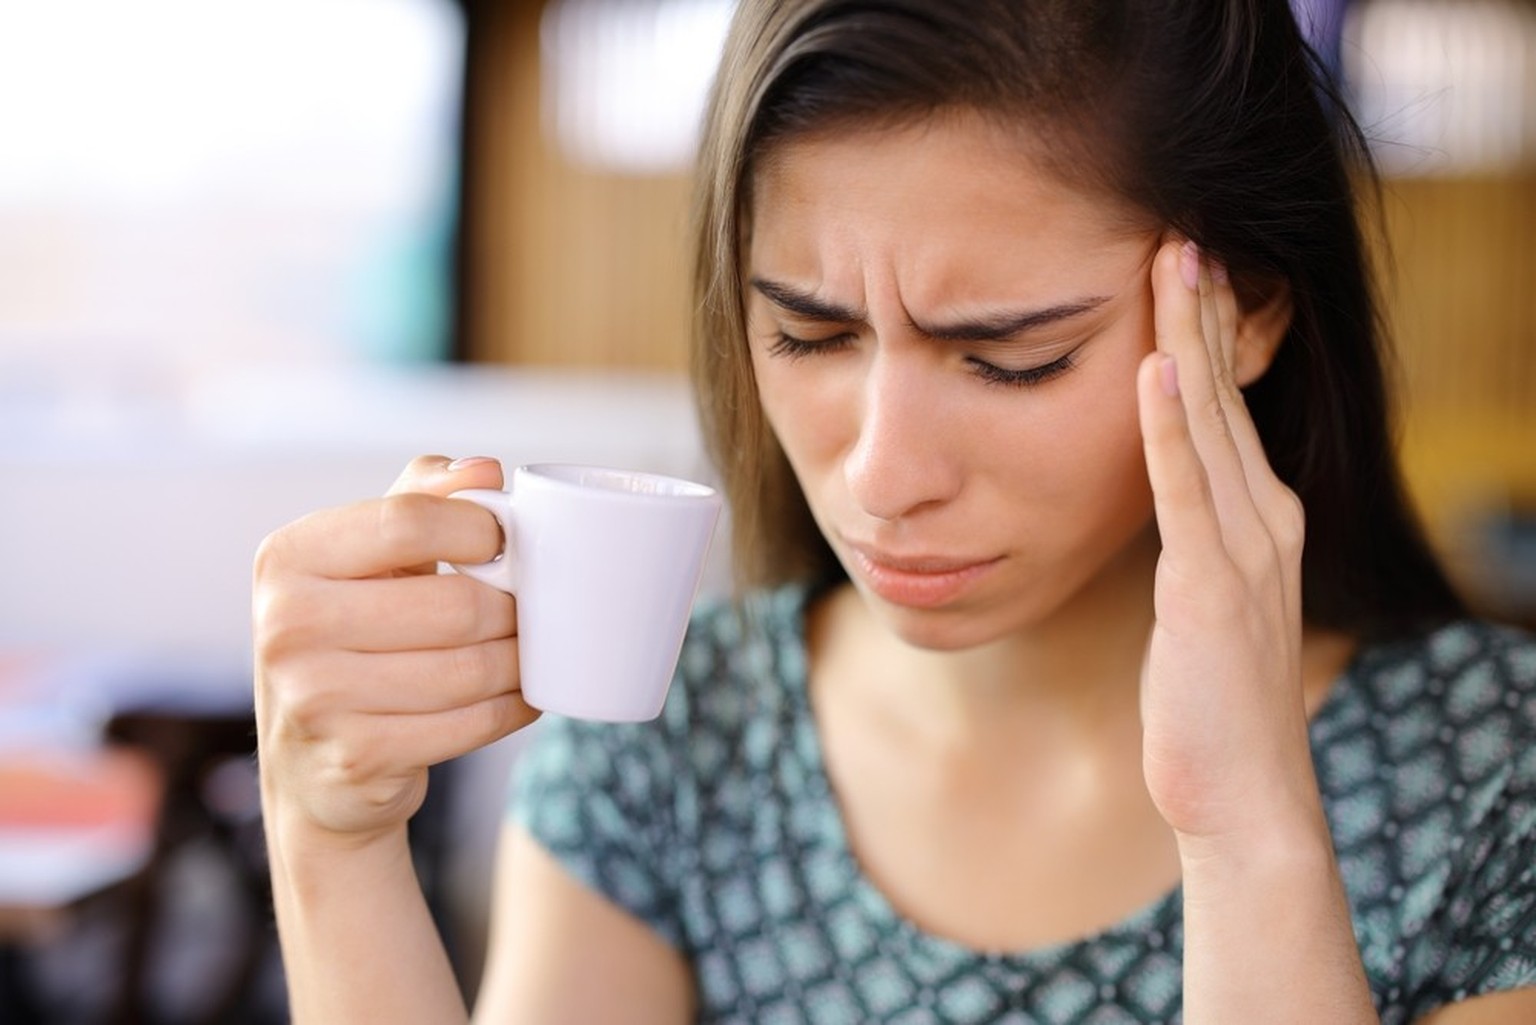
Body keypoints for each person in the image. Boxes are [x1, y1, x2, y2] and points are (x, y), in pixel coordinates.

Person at [251, 1, 1536, 1022]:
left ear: (1246, 312)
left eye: (1011, 356)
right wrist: (331, 840)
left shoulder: (1493, 774)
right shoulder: (676, 746)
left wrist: (1250, 828)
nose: (880, 473)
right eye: (809, 334)